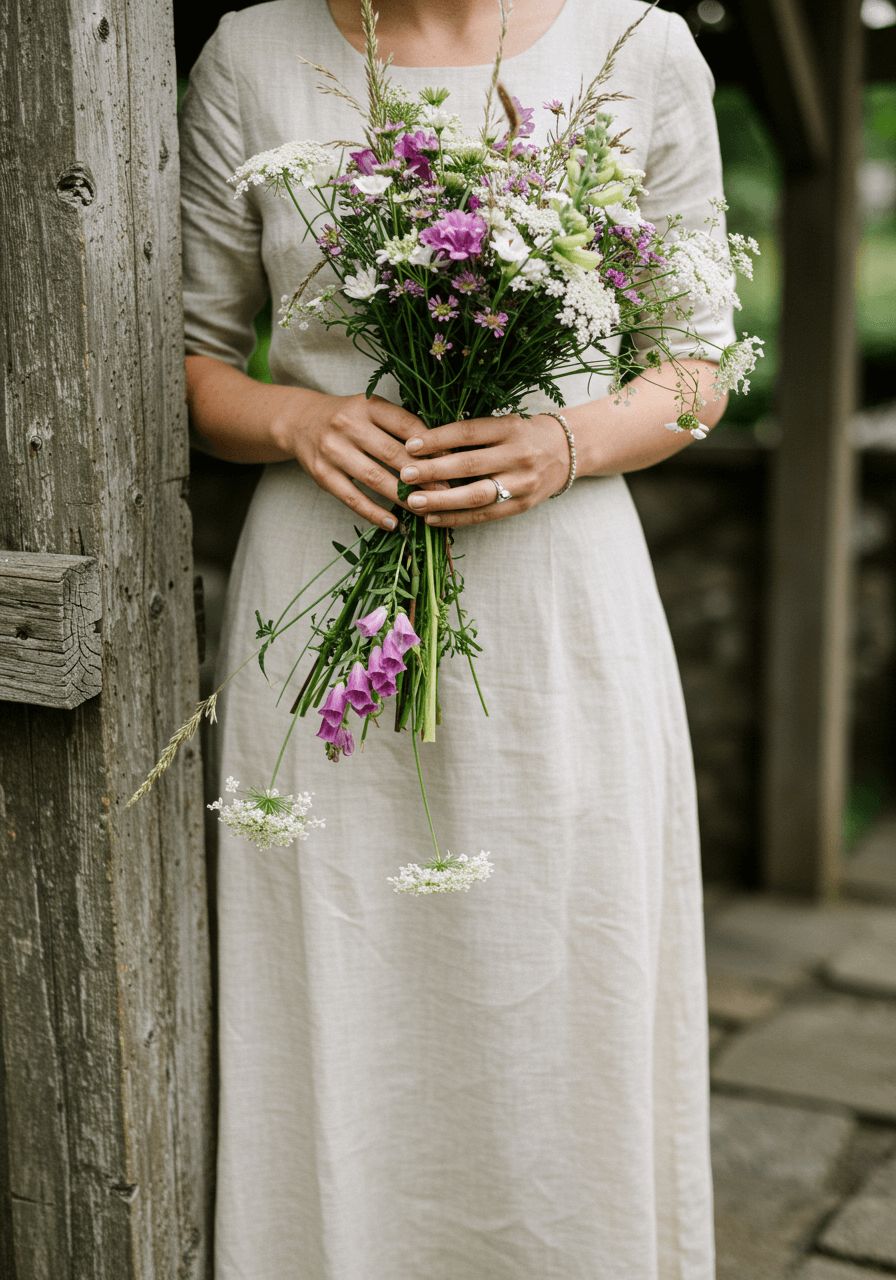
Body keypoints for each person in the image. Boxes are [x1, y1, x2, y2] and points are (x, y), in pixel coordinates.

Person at [180, 1, 735, 1276]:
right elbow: (183, 354)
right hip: (322, 599)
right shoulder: (250, 54)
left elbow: (696, 361)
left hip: (559, 603)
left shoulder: (640, 47)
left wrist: (564, 440)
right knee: (343, 972)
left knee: (562, 968)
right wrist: (290, 421)